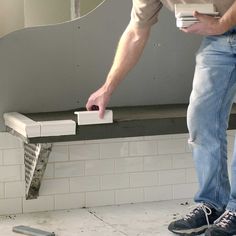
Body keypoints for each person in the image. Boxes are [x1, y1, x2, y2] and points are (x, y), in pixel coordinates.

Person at [86, 0, 236, 235]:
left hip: (223, 26)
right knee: (201, 120)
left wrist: (221, 23)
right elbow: (136, 32)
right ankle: (214, 204)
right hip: (219, 40)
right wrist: (108, 87)